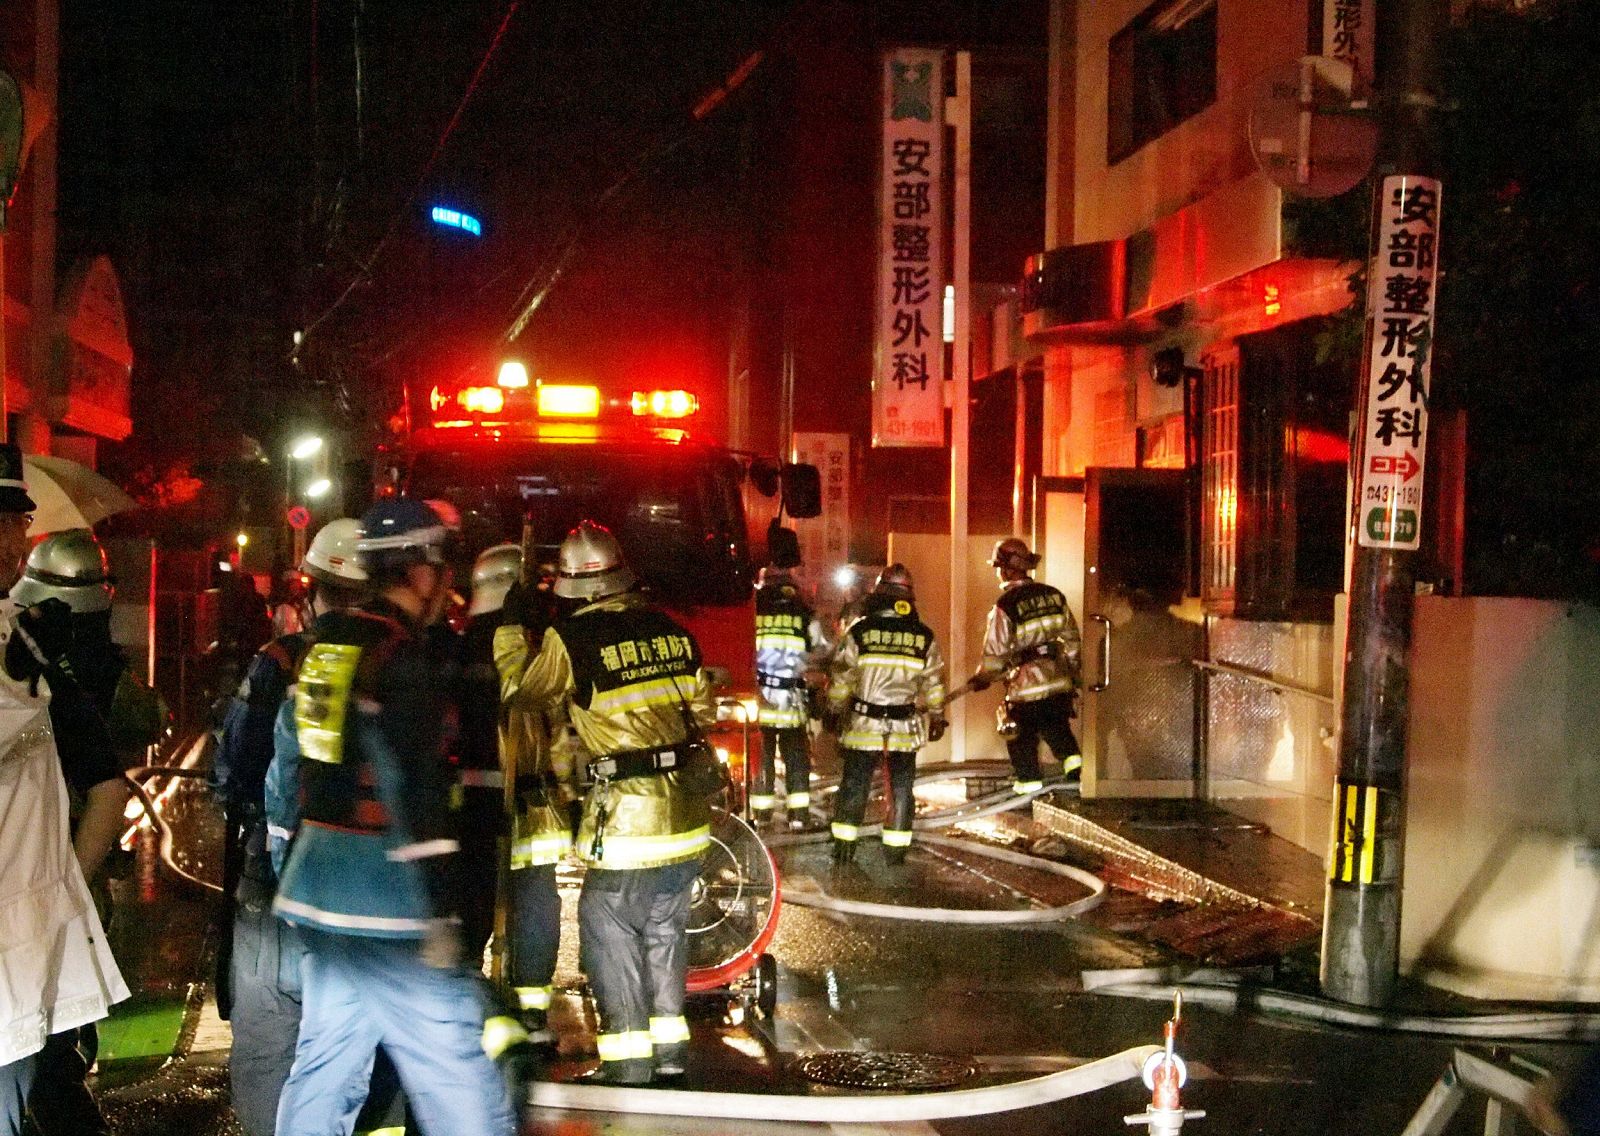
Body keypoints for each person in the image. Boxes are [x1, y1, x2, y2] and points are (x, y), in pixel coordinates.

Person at [271, 498, 515, 1136]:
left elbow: (297, 762)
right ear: (422, 570)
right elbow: (416, 789)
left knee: (325, 1061)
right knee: (455, 1065)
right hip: (387, 900)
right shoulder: (405, 658)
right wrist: (441, 912)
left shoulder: (328, 644)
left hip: (316, 889)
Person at [494, 520, 717, 1086]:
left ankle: (628, 1063)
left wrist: (512, 628)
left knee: (608, 932)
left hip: (628, 822)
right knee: (664, 932)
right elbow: (703, 711)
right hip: (687, 817)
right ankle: (669, 1053)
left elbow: (520, 690)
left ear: (573, 586)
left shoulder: (573, 640)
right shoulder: (673, 631)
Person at [212, 518, 374, 1136]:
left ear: (312, 590)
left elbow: (235, 768)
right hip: (364, 891)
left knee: (267, 1044)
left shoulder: (280, 661)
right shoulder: (402, 667)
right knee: (350, 1053)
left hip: (274, 880)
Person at [0, 444, 128, 1136]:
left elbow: (106, 779)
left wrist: (62, 891)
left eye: (17, 525)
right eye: (2, 525)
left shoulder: (25, 638)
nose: (14, 542)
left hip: (27, 935)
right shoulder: (28, 648)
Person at [463, 542, 572, 1045]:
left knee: (476, 906)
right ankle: (530, 1014)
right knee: (534, 908)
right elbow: (561, 731)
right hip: (529, 808)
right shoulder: (535, 652)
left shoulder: (458, 647)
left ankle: (472, 1008)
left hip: (476, 812)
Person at [825, 564, 946, 865]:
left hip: (864, 725)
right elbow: (934, 683)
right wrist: (937, 716)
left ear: (877, 596)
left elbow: (842, 679)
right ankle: (896, 850)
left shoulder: (860, 632)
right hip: (904, 728)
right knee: (902, 787)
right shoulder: (924, 636)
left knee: (855, 785)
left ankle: (844, 847)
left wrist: (833, 709)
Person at [967, 538, 1083, 794]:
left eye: (999, 567)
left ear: (1008, 570)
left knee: (1021, 741)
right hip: (1058, 685)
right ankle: (1078, 783)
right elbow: (1073, 640)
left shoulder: (1006, 605)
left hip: (1026, 688)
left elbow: (995, 653)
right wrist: (1074, 674)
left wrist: (982, 677)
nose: (998, 573)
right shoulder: (1054, 596)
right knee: (1060, 733)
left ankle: (1027, 792)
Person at [751, 564, 825, 829]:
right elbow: (821, 652)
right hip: (791, 699)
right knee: (796, 758)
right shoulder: (804, 611)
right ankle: (798, 816)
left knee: (762, 758)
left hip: (759, 701)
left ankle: (761, 816)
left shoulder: (753, 609)